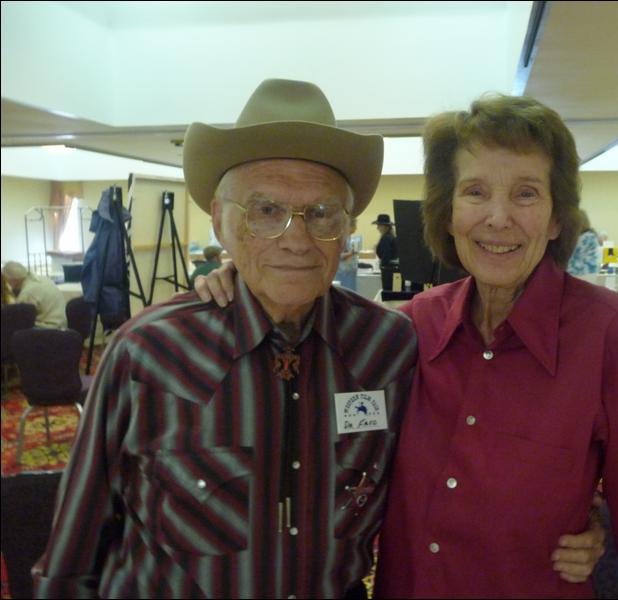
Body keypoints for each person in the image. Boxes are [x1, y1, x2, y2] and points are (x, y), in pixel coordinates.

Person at [198, 94, 618, 597]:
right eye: (475, 192)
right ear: (448, 213)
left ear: (555, 218)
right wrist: (251, 281)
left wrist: (596, 517)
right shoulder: (410, 329)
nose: (498, 218)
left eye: (526, 194)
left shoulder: (609, 333)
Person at [32, 78, 419, 599]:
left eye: (322, 213)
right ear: (221, 222)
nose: (296, 239)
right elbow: (73, 551)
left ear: (346, 229)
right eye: (266, 211)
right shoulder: (149, 352)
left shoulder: (388, 347)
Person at [1, 261, 66, 328]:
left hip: (49, 328)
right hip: (62, 325)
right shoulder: (43, 279)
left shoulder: (27, 292)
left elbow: (18, 317)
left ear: (13, 280)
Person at [566, 209, 601, 275]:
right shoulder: (591, 236)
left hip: (582, 274)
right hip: (590, 273)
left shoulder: (585, 238)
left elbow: (573, 262)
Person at [373, 213, 399, 291]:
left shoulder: (386, 238)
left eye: (379, 225)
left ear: (385, 226)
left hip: (388, 270)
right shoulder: (390, 236)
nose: (377, 227)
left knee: (388, 290)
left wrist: (382, 266)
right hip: (392, 269)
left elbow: (386, 255)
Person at [335, 217, 359, 290]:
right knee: (345, 292)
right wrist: (351, 253)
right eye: (354, 225)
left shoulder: (349, 238)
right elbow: (338, 256)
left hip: (350, 271)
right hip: (344, 273)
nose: (356, 228)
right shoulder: (342, 239)